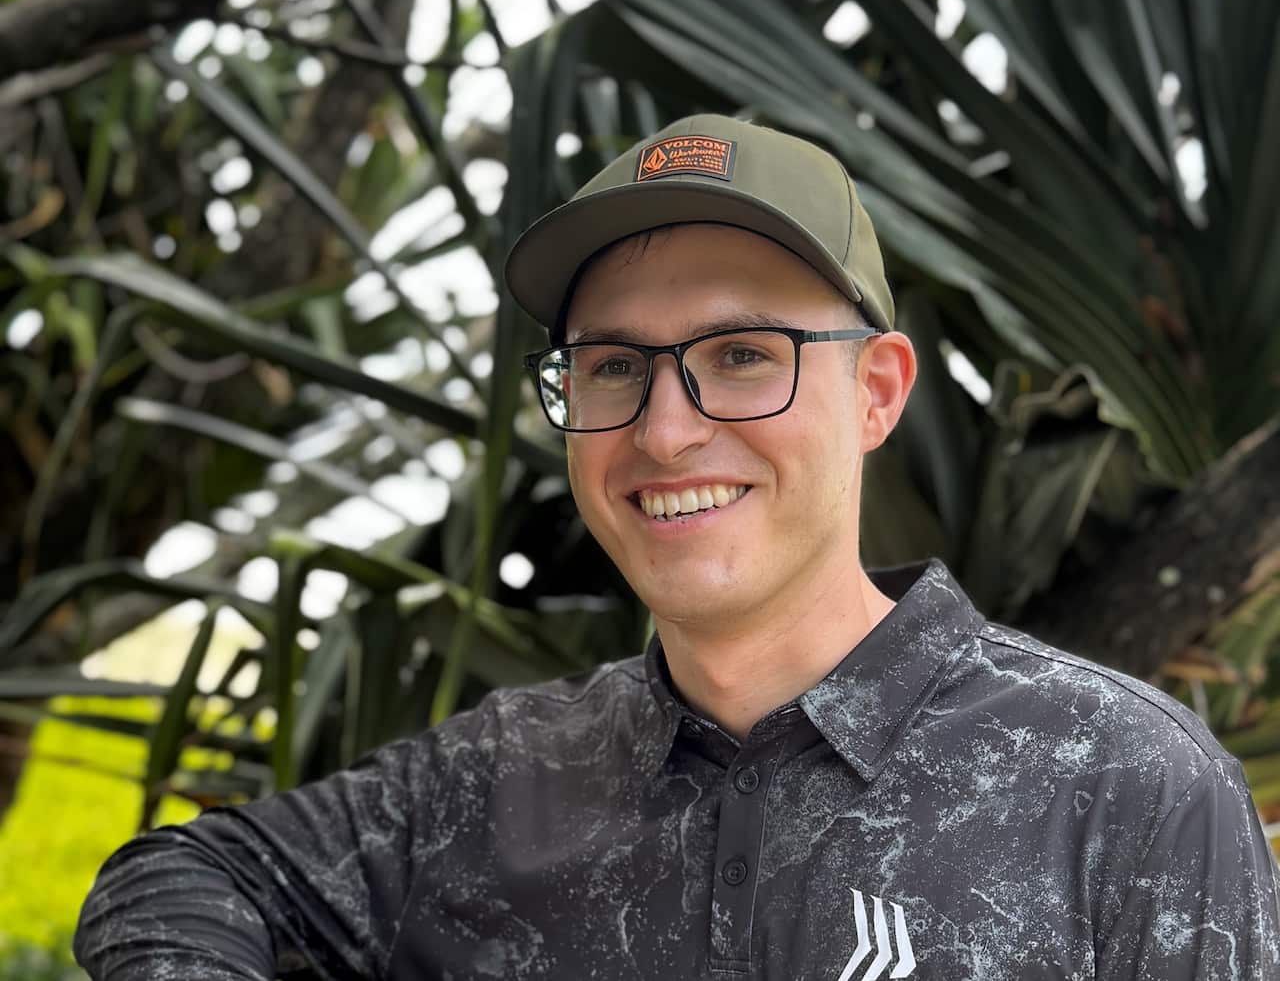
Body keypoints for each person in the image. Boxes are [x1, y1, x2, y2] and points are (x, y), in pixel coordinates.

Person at [75, 114, 1280, 980]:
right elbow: (186, 875)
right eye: (612, 367)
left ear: (875, 391)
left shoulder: (1121, 785)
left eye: (740, 355)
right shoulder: (498, 781)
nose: (662, 431)